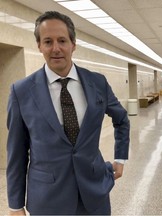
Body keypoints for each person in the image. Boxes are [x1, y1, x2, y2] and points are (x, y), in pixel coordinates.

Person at [6, 11, 130, 215]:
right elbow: (16, 153)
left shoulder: (97, 83)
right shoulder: (21, 92)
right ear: (39, 46)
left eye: (62, 40)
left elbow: (122, 119)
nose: (56, 48)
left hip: (94, 193)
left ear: (73, 44)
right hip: (48, 199)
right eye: (48, 41)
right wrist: (15, 205)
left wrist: (121, 158)